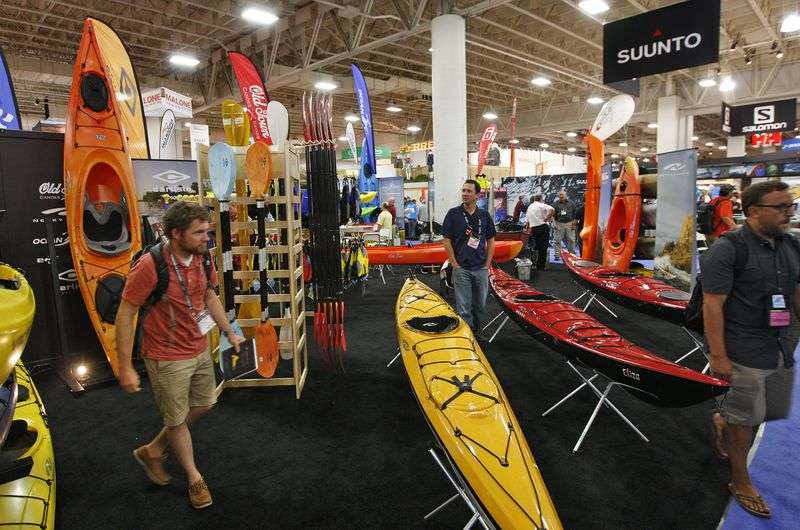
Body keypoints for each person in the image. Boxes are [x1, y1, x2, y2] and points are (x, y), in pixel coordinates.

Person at [115, 201, 245, 509]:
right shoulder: (150, 265)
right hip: (165, 354)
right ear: (176, 233)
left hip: (197, 345)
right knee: (175, 418)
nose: (206, 237)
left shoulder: (203, 257)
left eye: (207, 231)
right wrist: (124, 366)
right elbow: (126, 313)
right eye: (198, 232)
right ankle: (194, 477)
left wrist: (228, 331)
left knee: (204, 404)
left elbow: (209, 295)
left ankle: (153, 449)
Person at [702, 181, 799, 519]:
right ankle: (740, 479)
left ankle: (721, 421)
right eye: (781, 207)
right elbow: (712, 306)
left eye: (790, 206)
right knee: (746, 420)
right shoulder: (728, 249)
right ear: (754, 211)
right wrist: (718, 356)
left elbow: (795, 292)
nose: (790, 212)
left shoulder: (791, 245)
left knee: (765, 413)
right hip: (742, 348)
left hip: (782, 346)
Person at [442, 179, 496, 334]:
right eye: (463, 190)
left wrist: (487, 264)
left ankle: (478, 333)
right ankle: (468, 337)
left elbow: (491, 240)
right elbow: (446, 240)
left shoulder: (484, 215)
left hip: (480, 268)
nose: (465, 194)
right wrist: (454, 264)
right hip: (461, 268)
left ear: (477, 195)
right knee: (464, 308)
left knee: (480, 306)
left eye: (469, 191)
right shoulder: (453, 214)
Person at [524, 194, 554, 271]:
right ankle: (541, 267)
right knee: (543, 248)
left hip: (534, 229)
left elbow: (527, 221)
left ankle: (534, 265)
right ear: (540, 199)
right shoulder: (541, 205)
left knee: (535, 247)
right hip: (543, 227)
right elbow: (552, 210)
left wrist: (527, 230)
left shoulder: (530, 207)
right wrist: (547, 218)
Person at [550, 189, 577, 258]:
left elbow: (575, 214)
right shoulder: (555, 204)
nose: (561, 196)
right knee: (557, 240)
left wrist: (574, 224)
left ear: (566, 195)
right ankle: (557, 254)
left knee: (571, 240)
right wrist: (554, 223)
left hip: (570, 223)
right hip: (559, 223)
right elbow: (552, 215)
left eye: (562, 195)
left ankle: (571, 254)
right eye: (560, 195)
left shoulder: (571, 203)